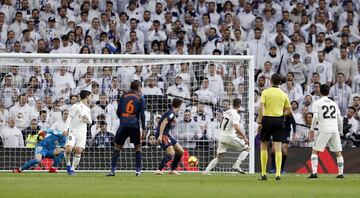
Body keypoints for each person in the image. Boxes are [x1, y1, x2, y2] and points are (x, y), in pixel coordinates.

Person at [257, 73, 291, 181]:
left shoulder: (265, 92)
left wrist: (259, 121)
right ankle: (277, 174)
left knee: (264, 146)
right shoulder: (283, 94)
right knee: (278, 148)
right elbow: (289, 110)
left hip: (267, 119)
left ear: (270, 81)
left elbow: (261, 107)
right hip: (279, 120)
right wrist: (281, 114)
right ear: (280, 82)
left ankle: (263, 174)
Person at [107, 81, 145, 177]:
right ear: (139, 87)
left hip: (123, 124)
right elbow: (142, 115)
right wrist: (144, 128)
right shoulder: (140, 97)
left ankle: (112, 170)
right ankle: (138, 171)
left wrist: (124, 119)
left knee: (118, 147)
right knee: (137, 147)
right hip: (134, 125)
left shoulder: (123, 96)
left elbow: (119, 111)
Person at [203, 98, 249, 174]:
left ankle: (206, 171)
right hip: (229, 137)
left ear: (232, 104)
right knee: (247, 149)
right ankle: (236, 165)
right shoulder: (236, 114)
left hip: (221, 136)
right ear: (239, 106)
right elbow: (236, 127)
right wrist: (244, 137)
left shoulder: (227, 112)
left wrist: (237, 135)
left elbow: (227, 126)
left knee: (219, 156)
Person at [308, 84, 344, 179]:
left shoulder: (317, 103)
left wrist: (311, 130)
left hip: (324, 129)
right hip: (334, 129)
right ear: (329, 92)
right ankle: (340, 173)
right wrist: (341, 130)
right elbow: (339, 119)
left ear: (320, 91)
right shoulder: (334, 103)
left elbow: (315, 117)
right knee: (338, 152)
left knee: (315, 150)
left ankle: (314, 173)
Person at [64, 90, 92, 175]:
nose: (91, 98)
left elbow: (90, 122)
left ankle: (72, 169)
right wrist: (66, 129)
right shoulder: (75, 106)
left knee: (78, 150)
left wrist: (85, 117)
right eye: (90, 96)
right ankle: (68, 165)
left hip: (82, 133)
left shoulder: (87, 109)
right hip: (73, 131)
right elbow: (69, 117)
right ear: (87, 97)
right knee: (68, 149)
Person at [154, 98, 183, 175]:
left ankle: (172, 169)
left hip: (166, 134)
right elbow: (163, 123)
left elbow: (167, 119)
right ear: (179, 106)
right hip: (162, 134)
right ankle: (159, 170)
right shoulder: (171, 113)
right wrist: (160, 136)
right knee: (171, 152)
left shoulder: (171, 111)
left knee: (180, 151)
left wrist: (174, 120)